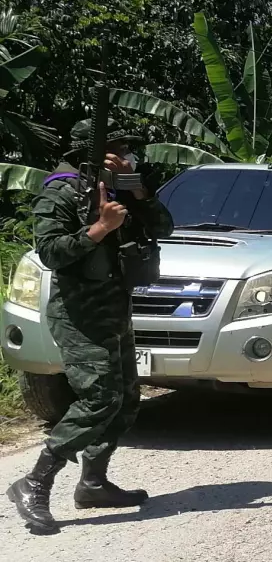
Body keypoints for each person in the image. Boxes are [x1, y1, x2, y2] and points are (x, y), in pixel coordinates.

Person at [6, 119, 174, 535]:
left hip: (116, 308)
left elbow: (165, 228)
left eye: (129, 150)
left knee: (126, 398)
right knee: (99, 398)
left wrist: (139, 195)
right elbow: (50, 252)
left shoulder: (123, 190)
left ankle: (93, 483)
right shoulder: (60, 191)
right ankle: (34, 483)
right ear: (94, 153)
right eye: (118, 148)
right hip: (78, 313)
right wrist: (99, 229)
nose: (128, 155)